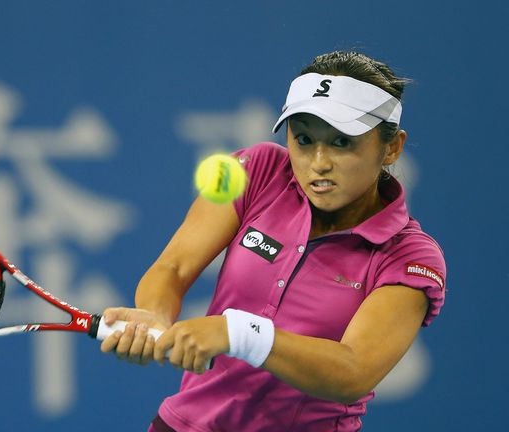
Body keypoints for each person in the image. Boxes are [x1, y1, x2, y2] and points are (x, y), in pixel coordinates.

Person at [100, 51, 446, 431]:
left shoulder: (410, 256)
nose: (318, 162)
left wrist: (239, 334)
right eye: (303, 139)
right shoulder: (257, 170)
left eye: (341, 143)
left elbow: (354, 371)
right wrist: (155, 316)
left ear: (392, 147)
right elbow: (174, 267)